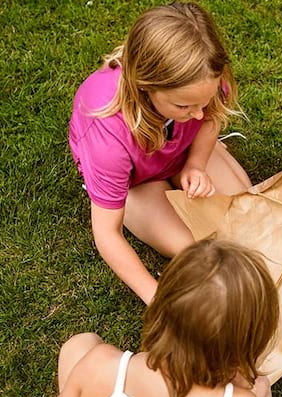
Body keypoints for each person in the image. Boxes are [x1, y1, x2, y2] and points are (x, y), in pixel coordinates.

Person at [42, 239, 279, 397]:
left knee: (80, 344)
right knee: (261, 389)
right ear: (245, 344)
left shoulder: (101, 365)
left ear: (161, 306)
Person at [69, 2, 252, 304]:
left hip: (182, 149)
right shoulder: (109, 136)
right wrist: (155, 297)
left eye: (203, 103)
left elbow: (209, 118)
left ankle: (181, 165)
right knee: (199, 246)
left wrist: (196, 163)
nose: (197, 114)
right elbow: (107, 233)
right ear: (145, 87)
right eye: (184, 106)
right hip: (136, 181)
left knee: (246, 213)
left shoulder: (204, 79)